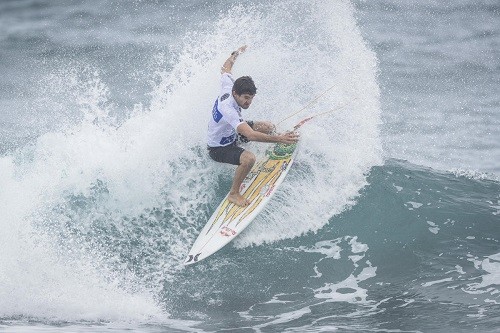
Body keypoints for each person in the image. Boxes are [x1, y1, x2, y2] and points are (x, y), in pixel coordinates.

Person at [207, 45, 299, 207]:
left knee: (268, 126)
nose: (248, 102)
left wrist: (236, 54)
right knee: (249, 159)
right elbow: (250, 135)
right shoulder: (228, 109)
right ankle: (234, 194)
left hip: (231, 134)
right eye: (246, 98)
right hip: (219, 148)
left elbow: (225, 68)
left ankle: (276, 144)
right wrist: (279, 139)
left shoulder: (229, 85)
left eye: (251, 98)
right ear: (236, 94)